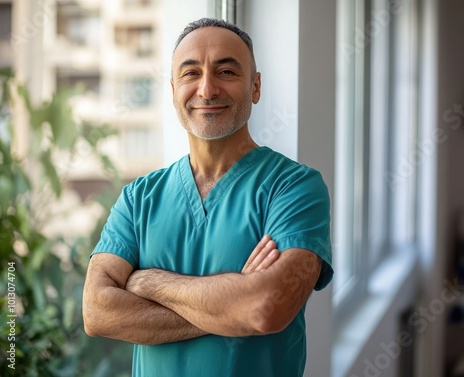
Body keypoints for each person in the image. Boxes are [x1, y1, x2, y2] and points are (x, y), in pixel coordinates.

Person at [82, 17, 333, 377]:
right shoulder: (139, 198)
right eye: (190, 73)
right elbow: (96, 311)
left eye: (227, 72)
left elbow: (266, 307)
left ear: (255, 86)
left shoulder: (295, 187)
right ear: (172, 90)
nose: (207, 89)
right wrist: (232, 307)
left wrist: (147, 282)